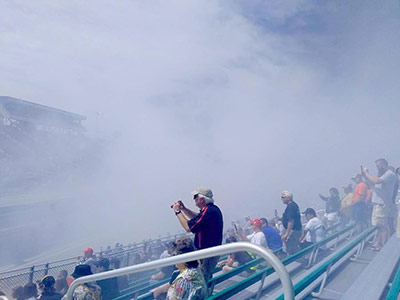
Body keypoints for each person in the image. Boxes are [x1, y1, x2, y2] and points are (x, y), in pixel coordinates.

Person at [171, 187, 223, 283]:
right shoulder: (211, 210)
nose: (194, 199)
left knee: (201, 281)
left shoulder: (208, 212)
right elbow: (197, 218)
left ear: (202, 199)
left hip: (207, 254)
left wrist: (177, 212)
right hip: (209, 253)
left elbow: (188, 227)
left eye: (195, 197)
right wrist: (184, 209)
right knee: (204, 278)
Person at [362, 158, 397, 251]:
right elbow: (372, 184)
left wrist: (367, 173)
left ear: (384, 164)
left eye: (379, 165)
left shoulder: (389, 174)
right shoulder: (382, 175)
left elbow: (376, 181)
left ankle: (383, 245)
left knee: (382, 225)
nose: (378, 168)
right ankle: (379, 242)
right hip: (377, 204)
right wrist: (365, 176)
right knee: (378, 225)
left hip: (382, 204)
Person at [280, 190, 302, 255]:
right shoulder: (294, 205)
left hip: (293, 231)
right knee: (294, 248)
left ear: (288, 198)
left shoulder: (291, 207)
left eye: (283, 197)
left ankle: (300, 263)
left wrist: (287, 234)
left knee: (291, 250)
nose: (281, 199)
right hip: (296, 230)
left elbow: (291, 221)